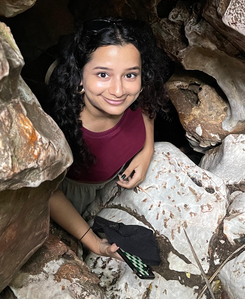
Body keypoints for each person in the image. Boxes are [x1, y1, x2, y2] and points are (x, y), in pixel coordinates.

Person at [45, 18, 171, 259]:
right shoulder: (60, 126)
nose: (118, 90)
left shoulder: (138, 93)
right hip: (74, 195)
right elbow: (49, 193)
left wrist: (147, 149)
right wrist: (94, 243)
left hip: (117, 177)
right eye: (103, 74)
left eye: (130, 75)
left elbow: (147, 102)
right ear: (79, 77)